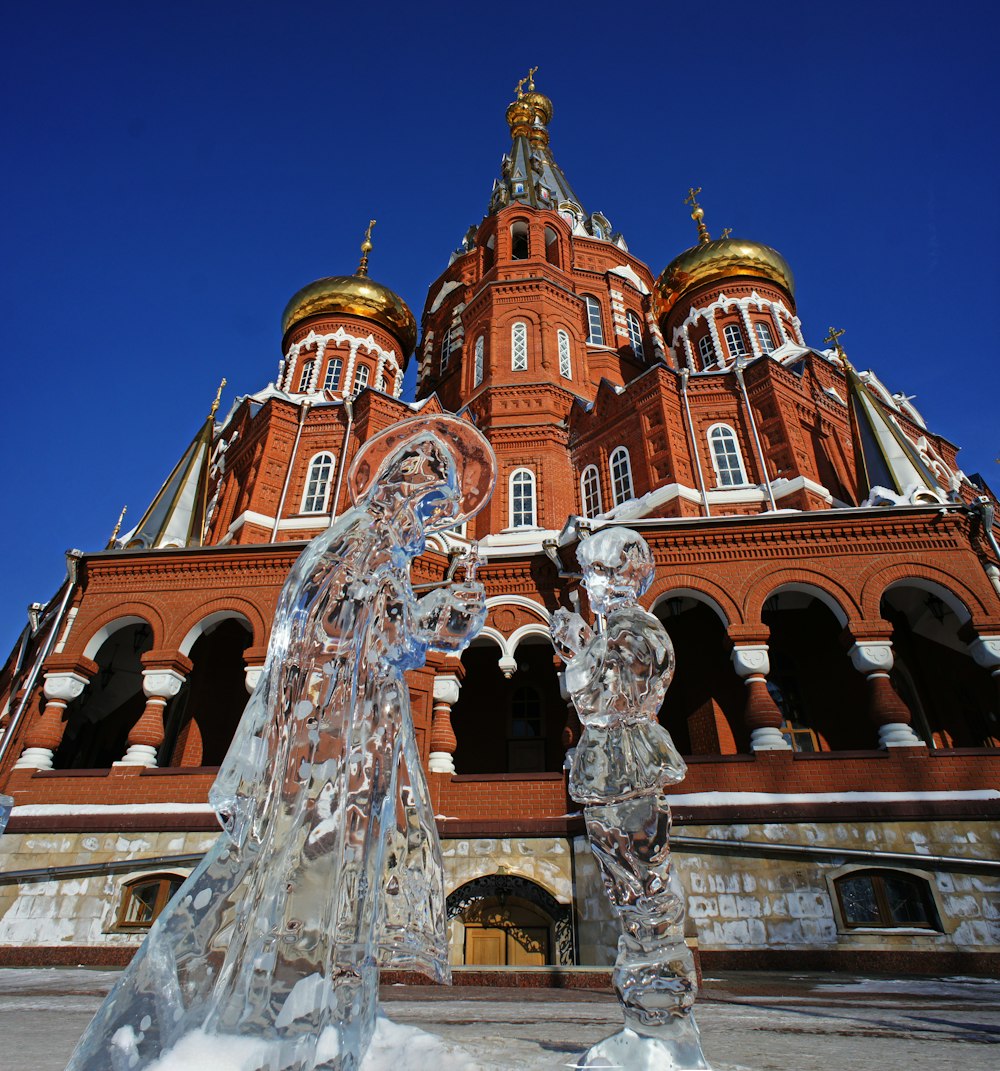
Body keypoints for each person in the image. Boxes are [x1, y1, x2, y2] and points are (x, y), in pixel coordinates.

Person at [66, 414, 496, 1071]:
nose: (428, 524)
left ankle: (307, 1031)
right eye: (428, 506)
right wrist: (447, 616)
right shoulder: (364, 544)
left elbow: (373, 633)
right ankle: (262, 1038)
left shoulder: (363, 545)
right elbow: (373, 639)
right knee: (304, 900)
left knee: (321, 901)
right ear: (400, 489)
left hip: (342, 753)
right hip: (328, 759)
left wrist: (435, 614)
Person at [553, 526, 711, 1070]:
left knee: (644, 893)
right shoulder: (615, 630)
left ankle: (660, 1023)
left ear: (621, 574)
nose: (589, 584)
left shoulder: (631, 629)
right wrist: (583, 649)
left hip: (625, 769)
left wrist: (576, 656)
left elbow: (602, 701)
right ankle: (649, 1024)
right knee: (633, 894)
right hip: (612, 770)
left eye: (595, 572)